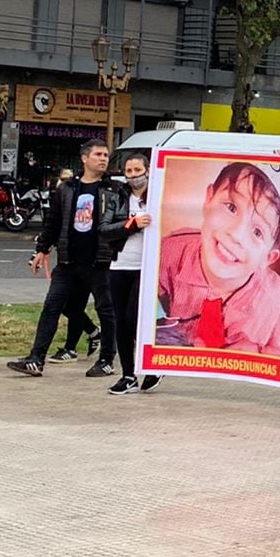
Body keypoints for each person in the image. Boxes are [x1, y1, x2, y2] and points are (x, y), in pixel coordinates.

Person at [152, 161, 280, 358]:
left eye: (257, 231)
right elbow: (148, 308)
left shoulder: (272, 297)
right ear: (208, 200)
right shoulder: (170, 253)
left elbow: (276, 347)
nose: (236, 234)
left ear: (268, 258)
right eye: (231, 207)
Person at [9, 139, 124, 377]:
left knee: (106, 309)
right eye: (98, 154)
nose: (103, 159)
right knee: (52, 306)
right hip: (68, 262)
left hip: (100, 262)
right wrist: (42, 249)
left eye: (106, 155)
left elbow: (122, 224)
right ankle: (36, 358)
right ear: (84, 158)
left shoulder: (113, 190)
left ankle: (106, 360)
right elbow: (53, 221)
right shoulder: (67, 188)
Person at [106, 152, 162, 395]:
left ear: (148, 170)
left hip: (146, 266)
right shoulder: (118, 197)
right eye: (128, 171)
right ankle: (128, 375)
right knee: (121, 322)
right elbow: (104, 229)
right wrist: (130, 225)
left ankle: (152, 364)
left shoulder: (159, 195)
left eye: (137, 171)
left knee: (134, 317)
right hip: (120, 265)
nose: (132, 176)